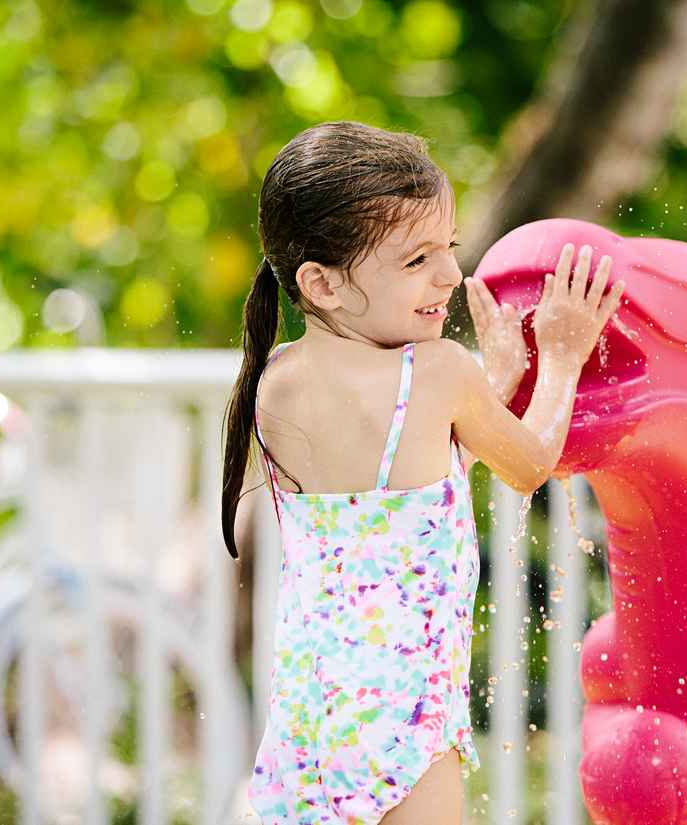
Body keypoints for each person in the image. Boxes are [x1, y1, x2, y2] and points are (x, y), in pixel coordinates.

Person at [219, 121, 623, 825]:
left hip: (309, 720)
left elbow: (409, 495)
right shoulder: (437, 371)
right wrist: (561, 355)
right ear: (322, 283)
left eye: (448, 249)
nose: (450, 276)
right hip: (404, 722)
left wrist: (497, 383)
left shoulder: (274, 380)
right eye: (416, 259)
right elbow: (531, 463)